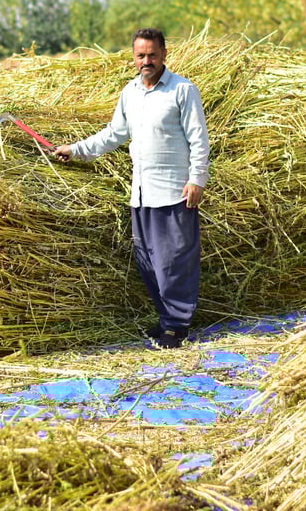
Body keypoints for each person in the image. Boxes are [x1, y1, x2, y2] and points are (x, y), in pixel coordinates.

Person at [53, 28, 210, 349]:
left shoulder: (183, 90)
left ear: (165, 54)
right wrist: (76, 149)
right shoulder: (130, 93)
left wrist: (197, 179)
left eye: (152, 54)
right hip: (141, 194)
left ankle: (177, 326)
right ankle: (167, 319)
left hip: (175, 193)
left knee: (173, 261)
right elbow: (114, 133)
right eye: (141, 55)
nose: (146, 61)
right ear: (134, 57)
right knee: (149, 261)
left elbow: (199, 139)